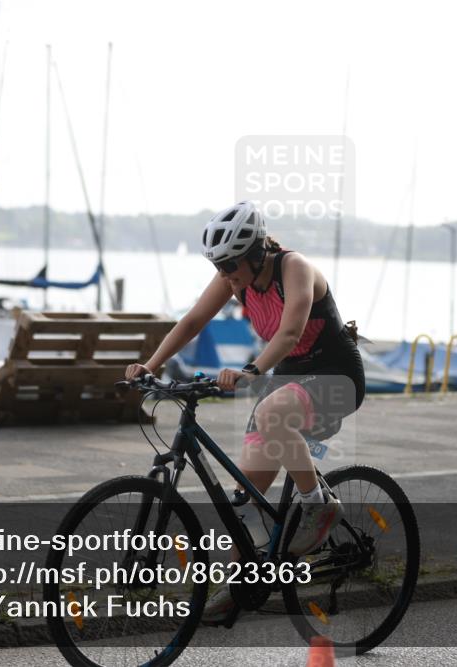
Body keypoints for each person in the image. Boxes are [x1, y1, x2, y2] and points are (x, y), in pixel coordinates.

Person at [124, 200, 366, 623]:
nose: (224, 273)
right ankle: (238, 588)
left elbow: (290, 332)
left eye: (229, 264)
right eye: (218, 266)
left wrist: (251, 370)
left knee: (272, 414)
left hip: (335, 376)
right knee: (245, 497)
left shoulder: (295, 268)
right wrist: (151, 365)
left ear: (255, 254)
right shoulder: (235, 280)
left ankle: (318, 506)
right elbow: (192, 322)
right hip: (290, 377)